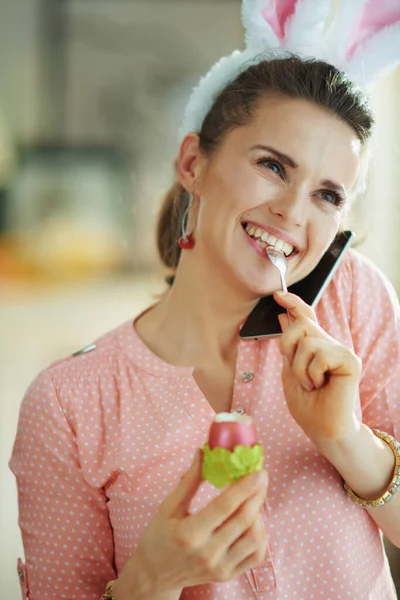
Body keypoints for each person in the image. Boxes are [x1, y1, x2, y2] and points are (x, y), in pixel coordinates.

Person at [9, 1, 400, 599]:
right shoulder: (69, 405)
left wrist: (346, 438)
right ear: (194, 162)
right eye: (273, 166)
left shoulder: (353, 299)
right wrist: (149, 582)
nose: (293, 214)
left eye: (327, 195)